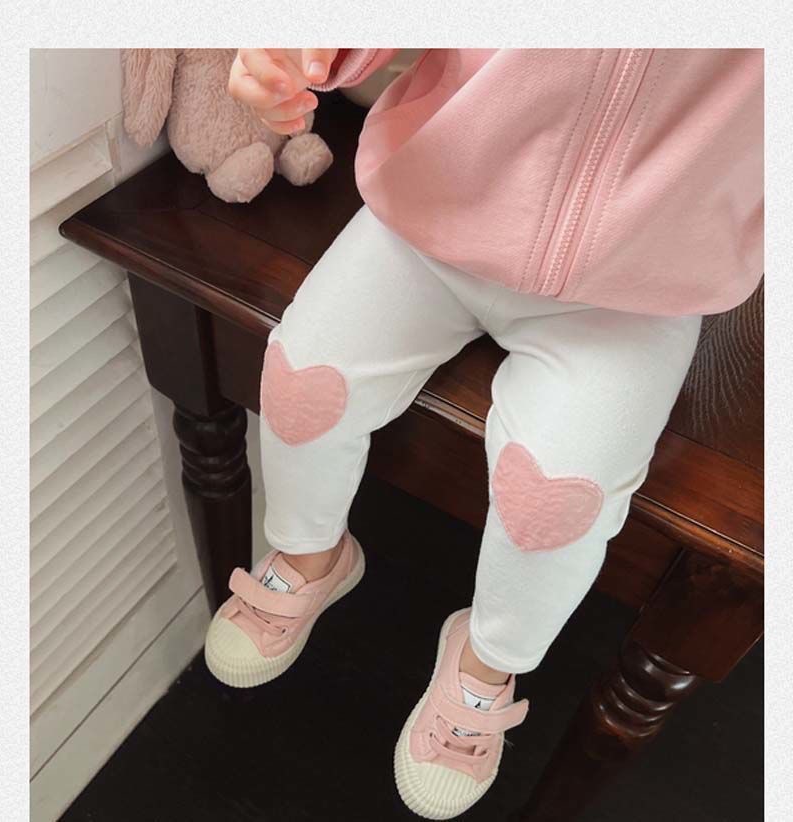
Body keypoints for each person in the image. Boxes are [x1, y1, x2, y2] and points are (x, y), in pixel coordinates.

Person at [203, 48, 763, 820]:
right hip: (435, 209)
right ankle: (309, 555)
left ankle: (486, 664)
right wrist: (312, 45)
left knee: (556, 503)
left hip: (637, 288)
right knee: (304, 385)